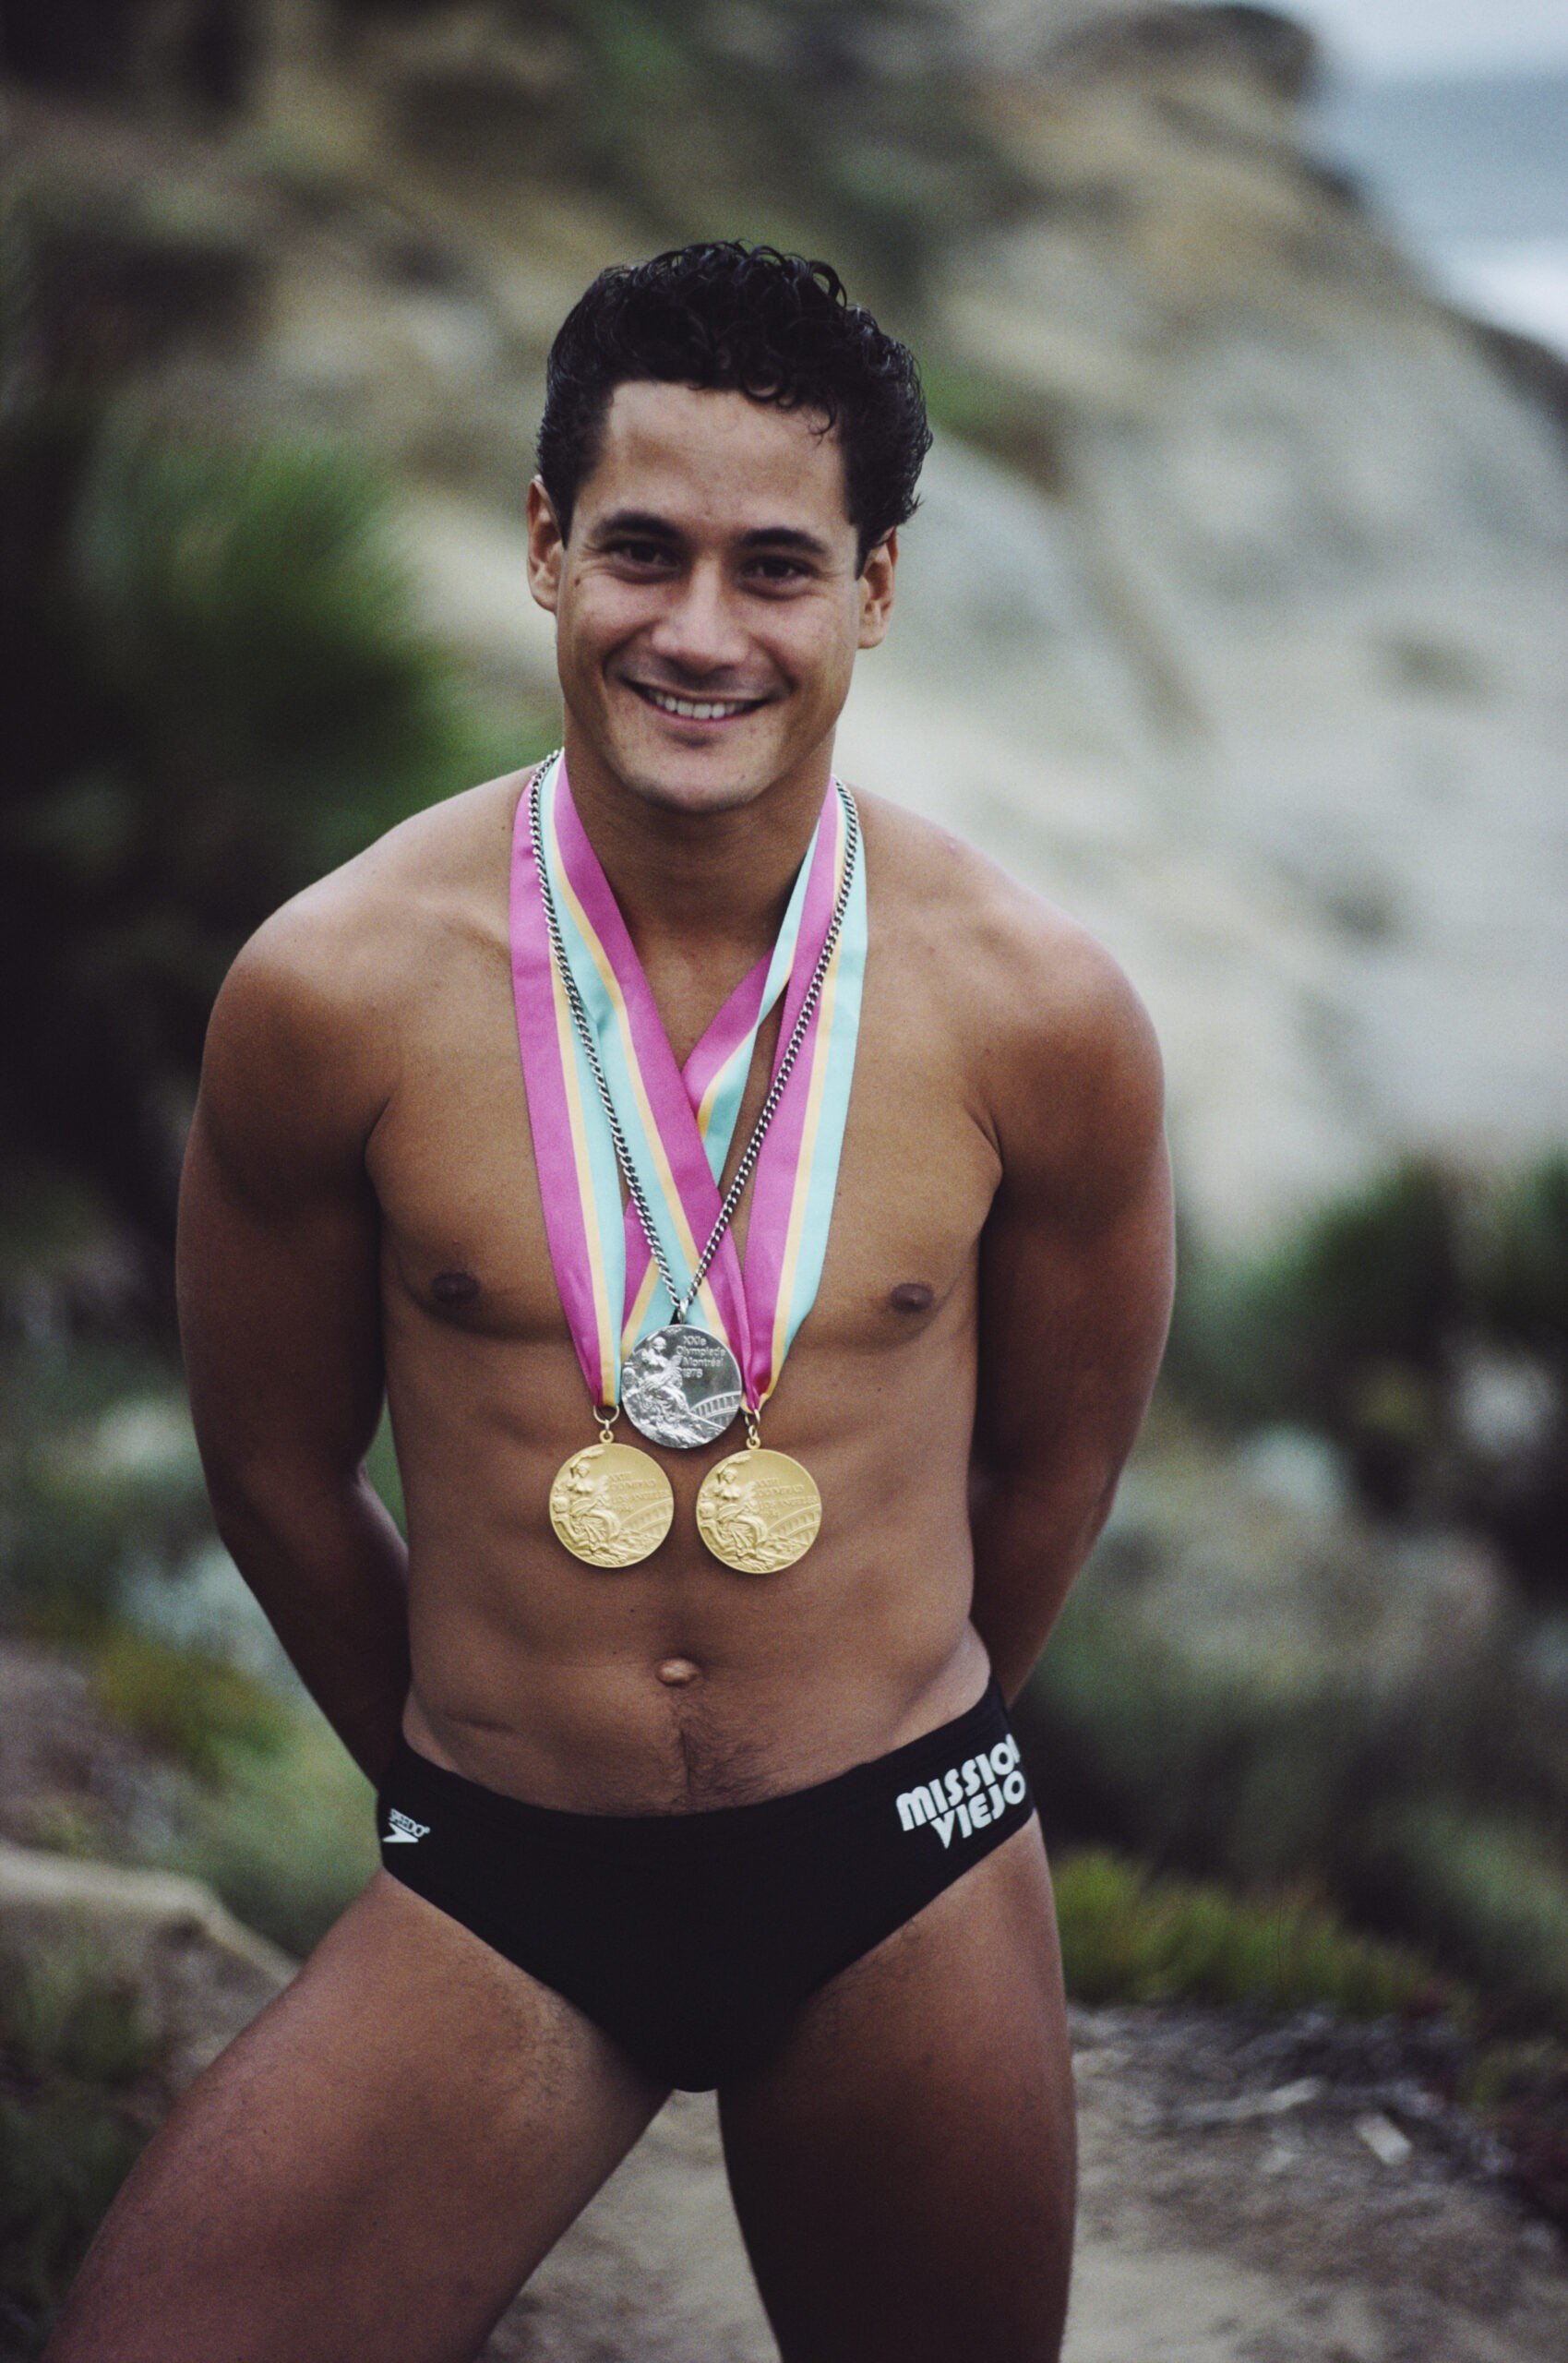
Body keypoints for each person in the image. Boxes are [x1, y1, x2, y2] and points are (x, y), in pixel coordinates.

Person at [49, 243, 1173, 2363]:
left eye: (777, 566)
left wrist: (892, 1740)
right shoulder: (333, 986)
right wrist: (464, 1779)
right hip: (509, 1876)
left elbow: (1054, 1465)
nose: (701, 630)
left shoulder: (1039, 1011)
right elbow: (271, 1466)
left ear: (872, 588)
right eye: (644, 549)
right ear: (547, 546)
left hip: (899, 1876)